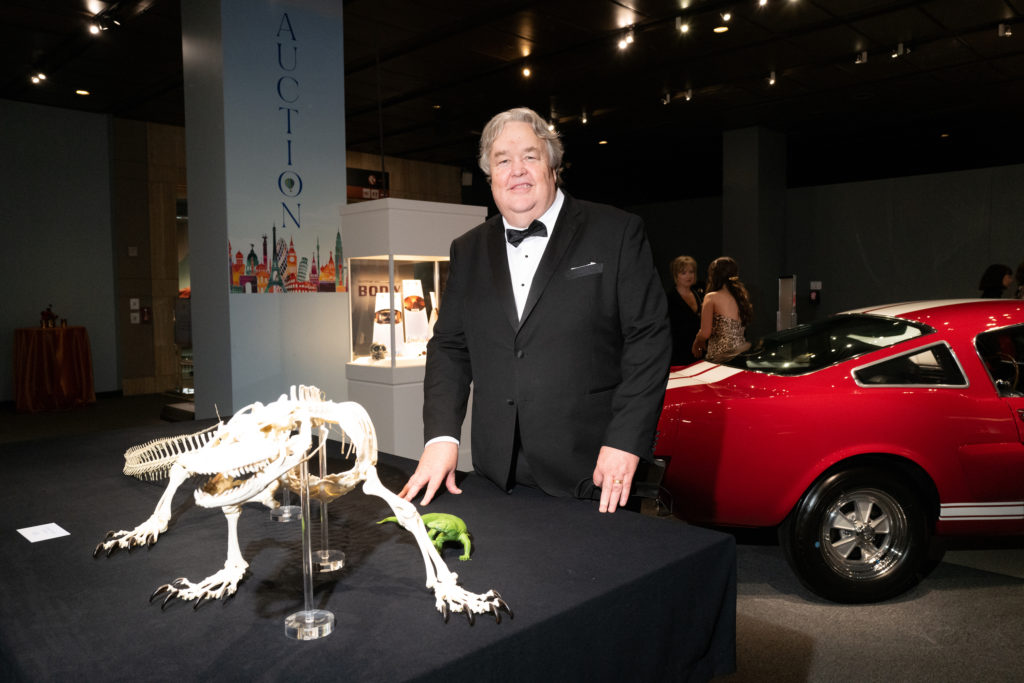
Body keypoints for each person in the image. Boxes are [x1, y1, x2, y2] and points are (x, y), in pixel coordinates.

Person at [399, 107, 671, 514]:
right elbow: (450, 348)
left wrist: (625, 441)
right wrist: (442, 438)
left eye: (530, 156)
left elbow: (648, 340)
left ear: (553, 165)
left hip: (592, 471)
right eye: (502, 160)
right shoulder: (467, 249)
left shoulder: (616, 232)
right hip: (496, 471)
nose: (517, 171)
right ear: (490, 176)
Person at [692, 256, 752, 363]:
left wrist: (697, 341)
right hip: (741, 354)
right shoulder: (742, 295)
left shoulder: (711, 297)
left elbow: (705, 332)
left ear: (713, 276)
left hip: (721, 357)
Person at [666, 255, 703, 366]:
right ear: (675, 275)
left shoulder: (699, 294)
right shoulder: (669, 298)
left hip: (700, 353)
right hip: (679, 354)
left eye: (691, 272)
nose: (689, 276)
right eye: (683, 273)